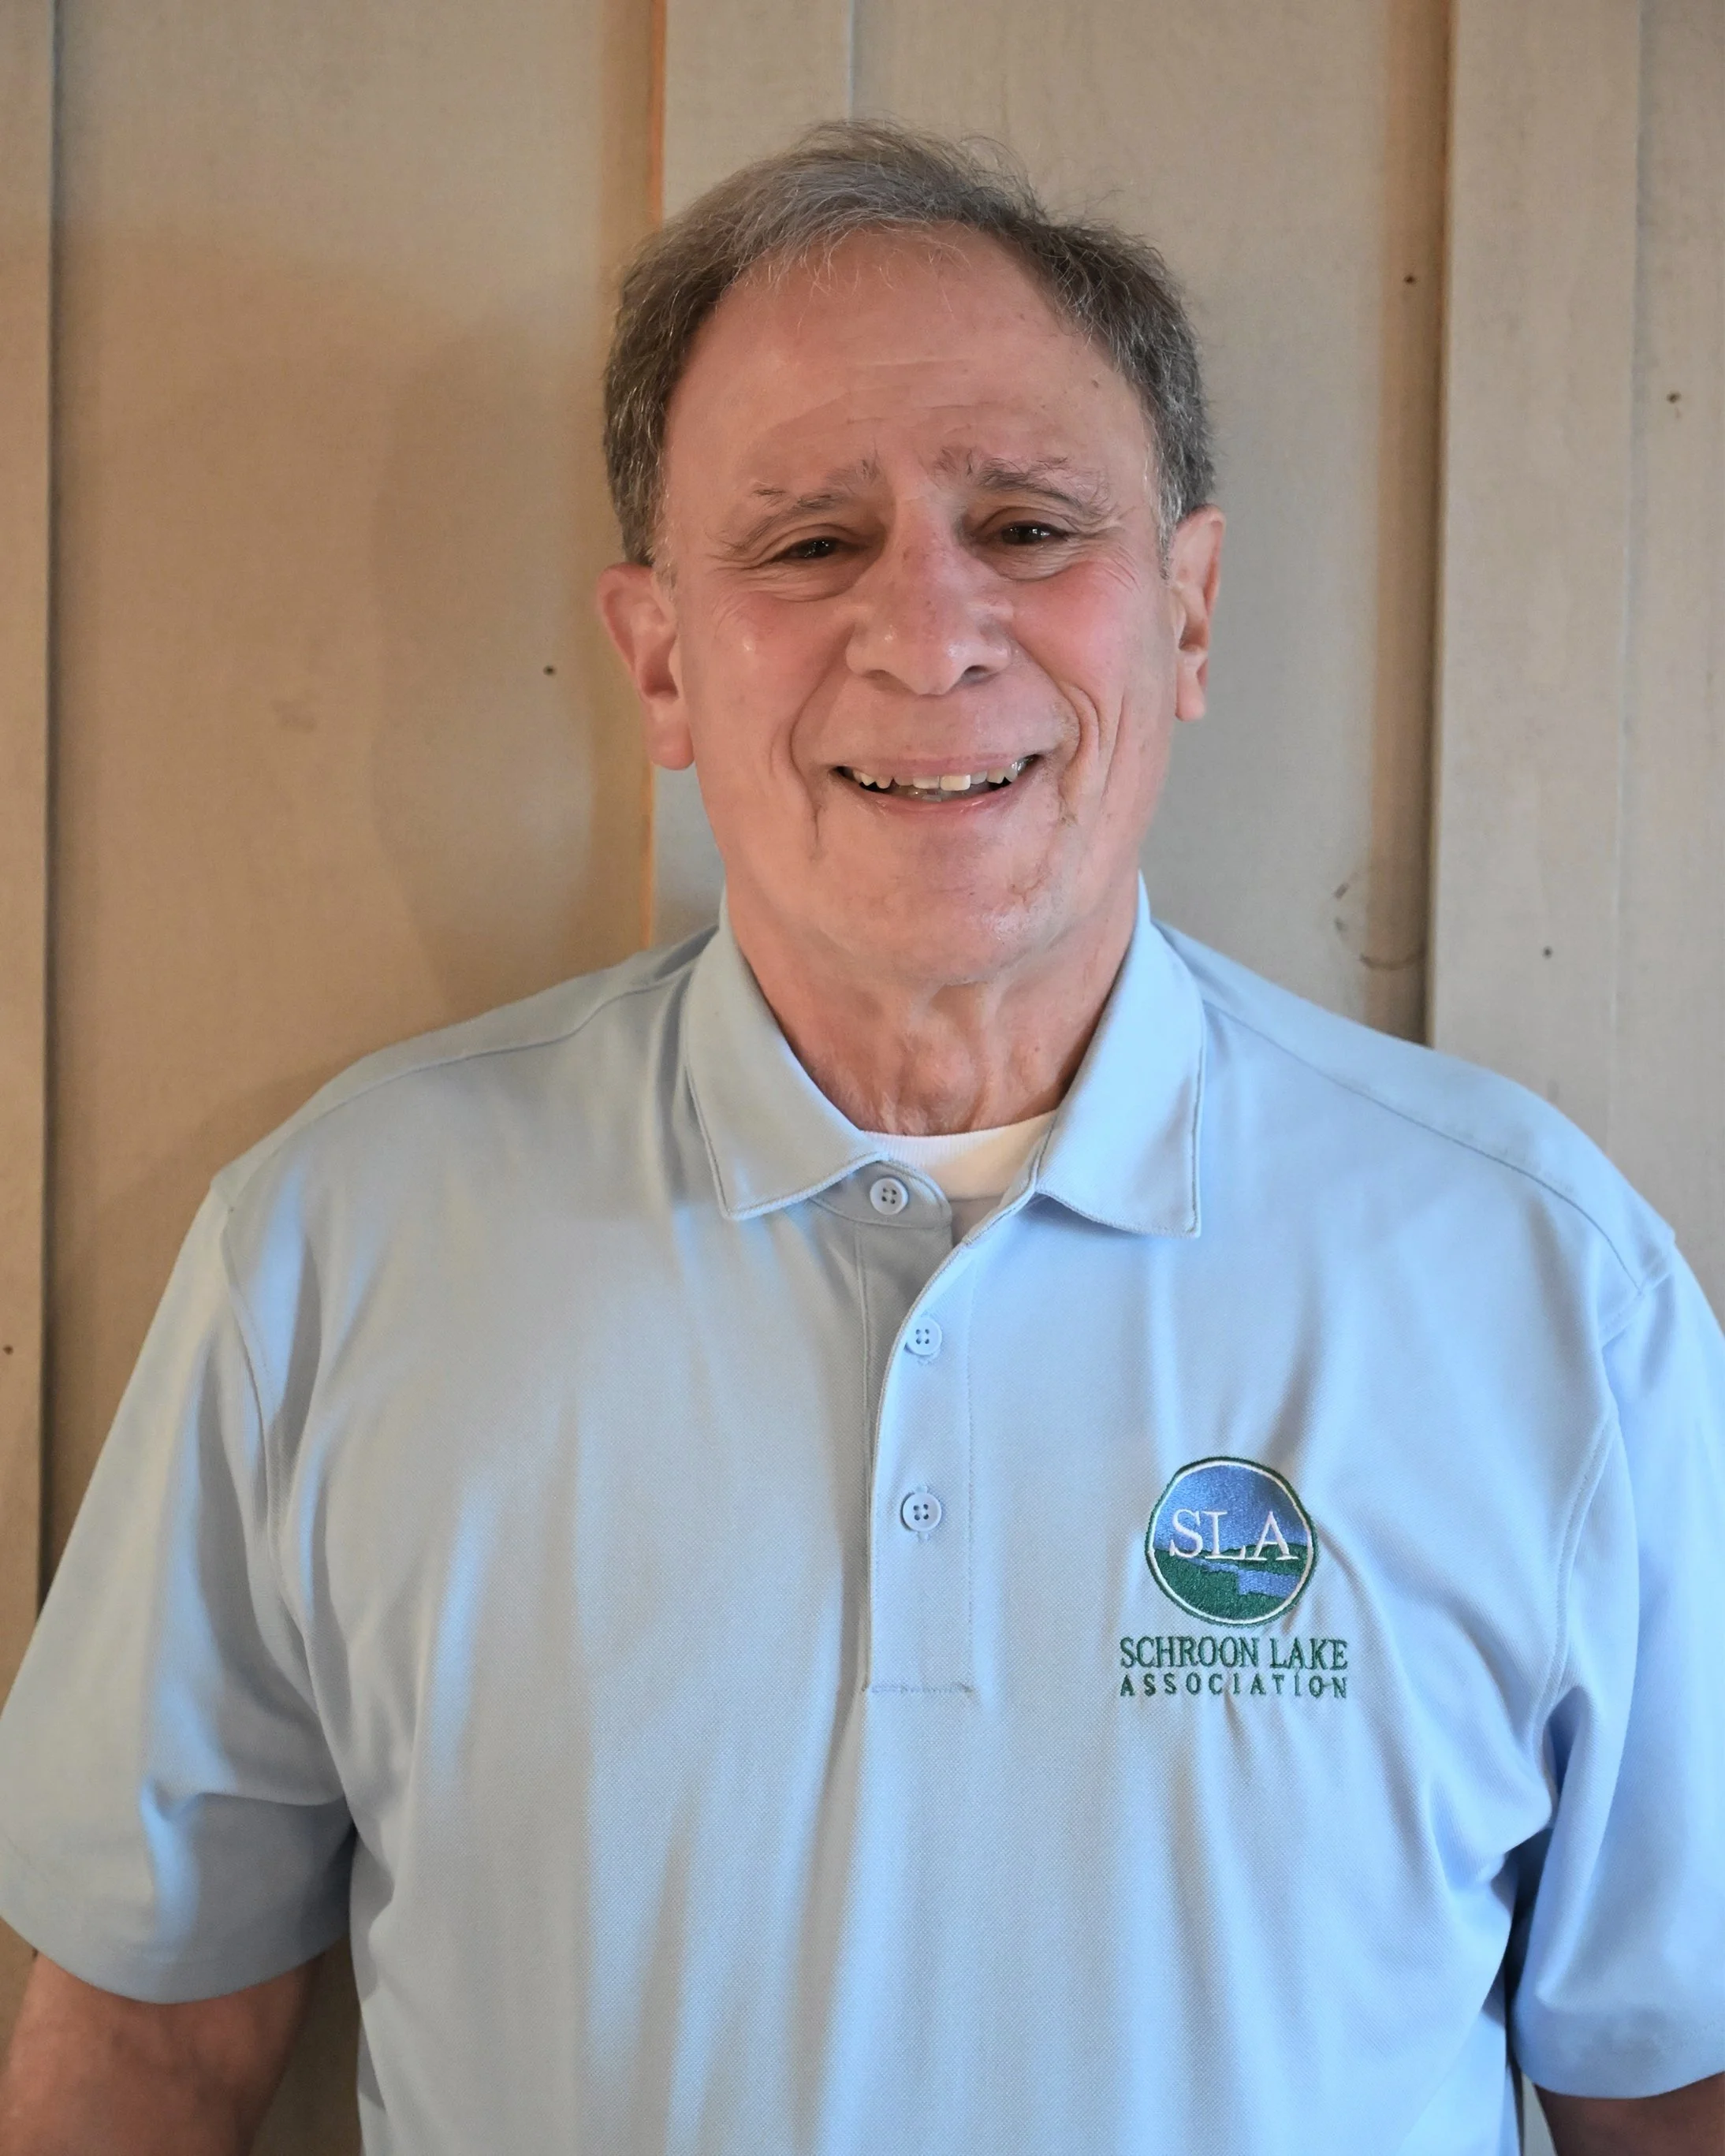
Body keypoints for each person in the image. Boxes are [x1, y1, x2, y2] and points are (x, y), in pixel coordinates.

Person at [0, 121, 1719, 2156]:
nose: (927, 630)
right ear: (658, 661)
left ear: (1185, 612)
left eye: (1029, 526)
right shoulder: (335, 1252)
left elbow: (1665, 2081)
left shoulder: (1536, 1282)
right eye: (809, 543)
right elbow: (147, 2049)